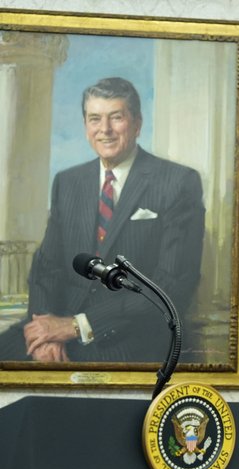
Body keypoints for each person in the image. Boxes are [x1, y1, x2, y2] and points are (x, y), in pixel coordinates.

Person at [0, 77, 205, 362]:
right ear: (86, 126)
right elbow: (46, 267)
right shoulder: (68, 182)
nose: (104, 129)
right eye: (95, 119)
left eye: (116, 117)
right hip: (59, 326)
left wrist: (76, 326)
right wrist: (44, 330)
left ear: (137, 124)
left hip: (129, 335)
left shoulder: (178, 182)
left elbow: (170, 285)